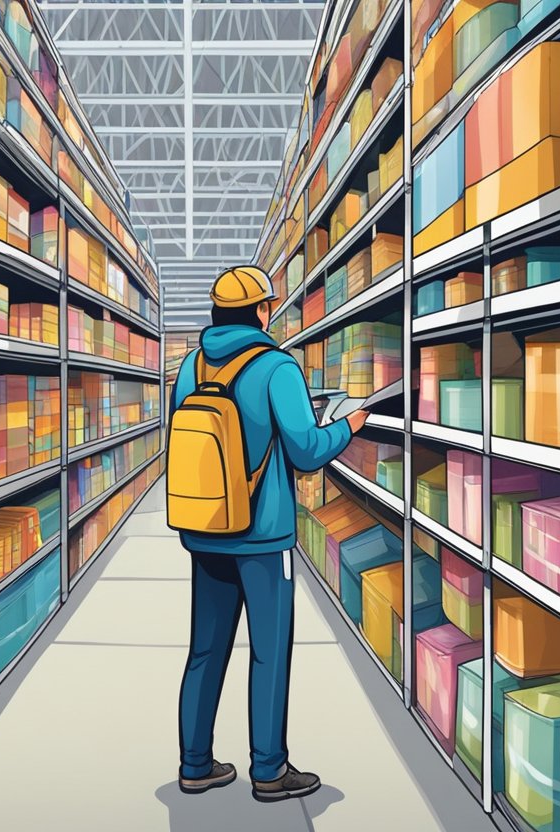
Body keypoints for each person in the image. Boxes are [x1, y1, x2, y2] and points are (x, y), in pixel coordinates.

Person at [167, 265, 368, 802]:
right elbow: (305, 451)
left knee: (205, 649)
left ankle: (195, 763)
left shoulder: (189, 366)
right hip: (262, 537)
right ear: (261, 312)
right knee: (268, 651)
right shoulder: (277, 366)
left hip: (204, 527)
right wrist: (348, 425)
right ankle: (270, 770)